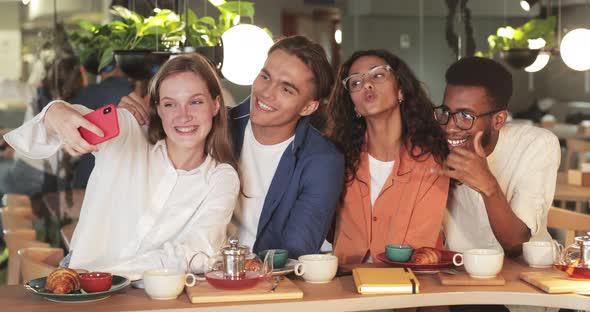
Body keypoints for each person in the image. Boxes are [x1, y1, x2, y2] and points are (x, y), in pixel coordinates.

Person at [4, 53, 240, 274]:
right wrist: (55, 112)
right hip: (80, 286)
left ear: (216, 105)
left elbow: (198, 252)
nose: (183, 115)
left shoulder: (221, 178)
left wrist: (106, 276)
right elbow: (45, 132)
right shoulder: (129, 131)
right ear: (158, 108)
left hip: (144, 296)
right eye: (170, 104)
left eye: (196, 102)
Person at [120, 36, 345, 258]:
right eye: (265, 76)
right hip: (189, 266)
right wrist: (131, 118)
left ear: (308, 107)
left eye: (286, 89)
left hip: (267, 281)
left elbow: (296, 250)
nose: (267, 92)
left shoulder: (322, 160)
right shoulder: (214, 124)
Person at [327, 49, 450, 265]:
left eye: (378, 75)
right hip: (346, 284)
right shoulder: (338, 160)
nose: (366, 84)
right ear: (353, 104)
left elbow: (419, 245)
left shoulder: (432, 162)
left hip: (411, 287)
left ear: (400, 90)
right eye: (355, 83)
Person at [435, 57, 560, 257]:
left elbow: (516, 244)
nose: (450, 127)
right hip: (457, 274)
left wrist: (488, 186)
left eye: (465, 116)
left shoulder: (536, 145)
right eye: (446, 112)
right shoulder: (435, 149)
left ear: (498, 120)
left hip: (527, 275)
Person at [69, 63, 133, 189]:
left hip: (90, 173)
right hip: (124, 178)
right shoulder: (138, 92)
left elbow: (69, 122)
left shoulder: (93, 91)